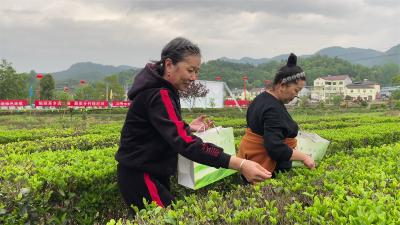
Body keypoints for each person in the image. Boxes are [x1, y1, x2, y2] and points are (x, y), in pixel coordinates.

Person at [115, 37, 271, 213]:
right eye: (190, 70)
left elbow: (158, 128)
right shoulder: (160, 94)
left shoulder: (161, 90)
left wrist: (186, 127)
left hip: (146, 172)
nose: (194, 77)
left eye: (197, 72)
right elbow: (185, 143)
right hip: (141, 175)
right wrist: (239, 164)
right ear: (169, 64)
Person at [237, 53, 315, 179]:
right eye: (296, 90)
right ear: (282, 85)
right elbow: (275, 147)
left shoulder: (261, 98)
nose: (296, 95)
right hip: (267, 169)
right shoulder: (272, 109)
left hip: (251, 161)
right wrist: (304, 157)